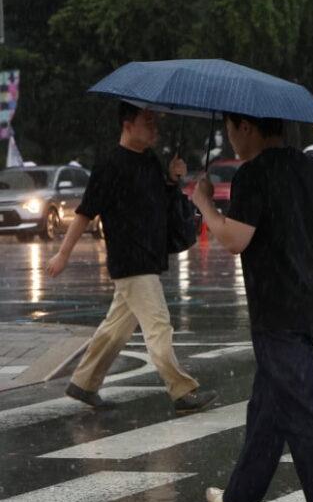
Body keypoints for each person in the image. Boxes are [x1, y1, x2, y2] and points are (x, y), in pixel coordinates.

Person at [191, 112, 313, 502]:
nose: (230, 138)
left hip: (276, 306)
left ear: (247, 127)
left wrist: (204, 204)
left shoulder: (254, 174)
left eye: (231, 130)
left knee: (304, 407)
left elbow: (234, 239)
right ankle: (240, 498)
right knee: (270, 406)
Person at [45, 102, 217, 415]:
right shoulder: (111, 164)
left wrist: (171, 178)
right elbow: (86, 212)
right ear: (128, 125)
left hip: (149, 256)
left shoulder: (150, 160)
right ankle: (182, 391)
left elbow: (161, 201)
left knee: (117, 327)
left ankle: (83, 383)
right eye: (147, 122)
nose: (155, 129)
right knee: (159, 326)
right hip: (130, 258)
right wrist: (63, 253)